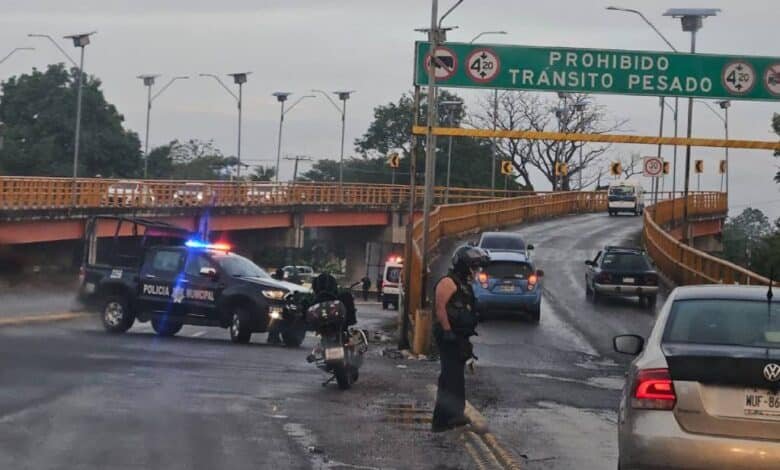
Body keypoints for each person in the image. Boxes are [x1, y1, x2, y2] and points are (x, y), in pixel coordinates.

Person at [431, 245, 489, 433]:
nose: (475, 272)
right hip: (448, 335)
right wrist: (448, 331)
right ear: (464, 266)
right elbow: (440, 308)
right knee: (452, 376)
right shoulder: (449, 282)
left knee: (449, 377)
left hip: (459, 335)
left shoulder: (463, 284)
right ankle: (454, 414)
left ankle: (441, 420)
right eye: (473, 267)